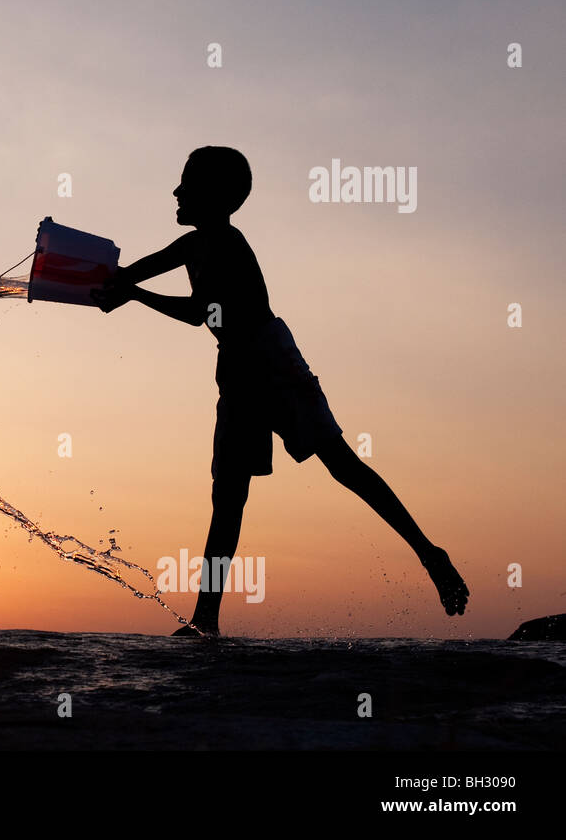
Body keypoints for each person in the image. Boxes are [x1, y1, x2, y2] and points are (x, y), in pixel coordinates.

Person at [92, 146, 468, 636]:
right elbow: (132, 272)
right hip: (236, 370)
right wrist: (97, 279)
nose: (176, 192)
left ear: (215, 196)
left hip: (269, 360)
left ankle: (429, 554)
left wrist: (133, 295)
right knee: (227, 497)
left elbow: (200, 313)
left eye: (187, 183)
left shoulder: (226, 245)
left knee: (342, 465)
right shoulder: (190, 246)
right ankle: (206, 619)